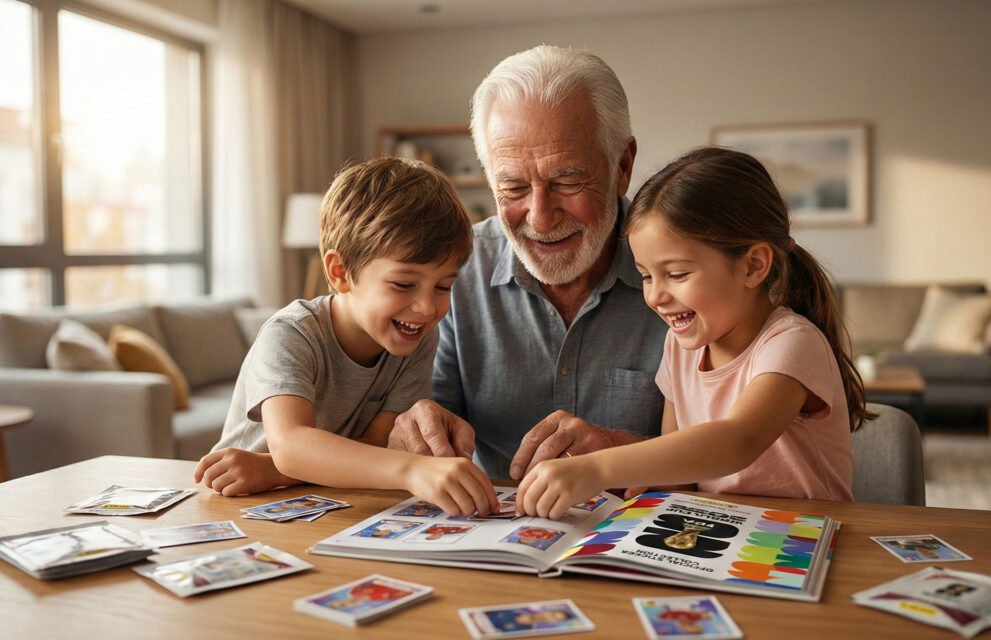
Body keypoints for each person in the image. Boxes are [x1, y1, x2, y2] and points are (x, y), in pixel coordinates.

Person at [516, 147, 869, 519]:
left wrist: (598, 468)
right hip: (727, 535)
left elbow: (737, 441)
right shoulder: (680, 347)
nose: (655, 296)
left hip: (811, 539)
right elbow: (681, 473)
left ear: (753, 266)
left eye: (678, 274)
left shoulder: (792, 342)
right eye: (646, 275)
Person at [387, 45, 668, 481]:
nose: (539, 217)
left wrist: (620, 455)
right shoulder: (451, 271)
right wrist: (416, 426)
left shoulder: (686, 270)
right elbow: (424, 416)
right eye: (514, 187)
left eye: (567, 181)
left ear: (623, 166)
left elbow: (739, 450)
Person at [193, 157, 499, 517]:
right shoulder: (291, 334)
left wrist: (272, 471)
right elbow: (292, 445)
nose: (426, 308)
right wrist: (413, 469)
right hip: (243, 506)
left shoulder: (413, 337)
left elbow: (374, 444)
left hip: (326, 502)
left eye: (444, 285)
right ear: (340, 272)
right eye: (403, 284)